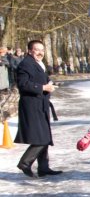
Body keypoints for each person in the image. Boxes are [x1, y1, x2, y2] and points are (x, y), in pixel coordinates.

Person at [14, 40, 61, 178]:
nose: (40, 52)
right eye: (37, 50)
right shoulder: (25, 64)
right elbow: (23, 84)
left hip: (41, 104)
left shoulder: (37, 64)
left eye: (42, 50)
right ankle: (25, 162)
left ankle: (43, 167)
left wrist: (49, 84)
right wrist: (43, 88)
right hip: (32, 105)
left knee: (44, 135)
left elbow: (38, 80)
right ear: (29, 51)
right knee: (42, 137)